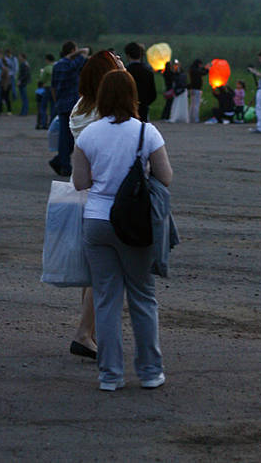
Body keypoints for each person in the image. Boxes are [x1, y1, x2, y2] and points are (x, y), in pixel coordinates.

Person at [72, 69, 173, 391]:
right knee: (143, 297)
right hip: (134, 225)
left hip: (97, 222)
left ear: (101, 97)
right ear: (133, 96)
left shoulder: (88, 135)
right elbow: (166, 177)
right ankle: (149, 372)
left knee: (106, 299)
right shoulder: (147, 133)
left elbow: (79, 183)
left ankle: (110, 375)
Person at [68, 50, 125, 361]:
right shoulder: (106, 112)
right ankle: (84, 332)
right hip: (107, 195)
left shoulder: (79, 108)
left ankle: (89, 330)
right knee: (107, 271)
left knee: (93, 270)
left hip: (83, 192)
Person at [50, 42, 90, 176]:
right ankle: (64, 164)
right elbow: (85, 53)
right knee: (74, 136)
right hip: (72, 104)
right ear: (73, 50)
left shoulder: (57, 66)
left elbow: (53, 86)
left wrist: (56, 102)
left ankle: (60, 161)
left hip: (61, 103)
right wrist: (80, 52)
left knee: (64, 136)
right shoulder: (72, 65)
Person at [125, 42, 157, 122]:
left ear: (128, 55)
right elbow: (153, 94)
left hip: (127, 108)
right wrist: (144, 102)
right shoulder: (148, 72)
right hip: (143, 108)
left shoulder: (125, 72)